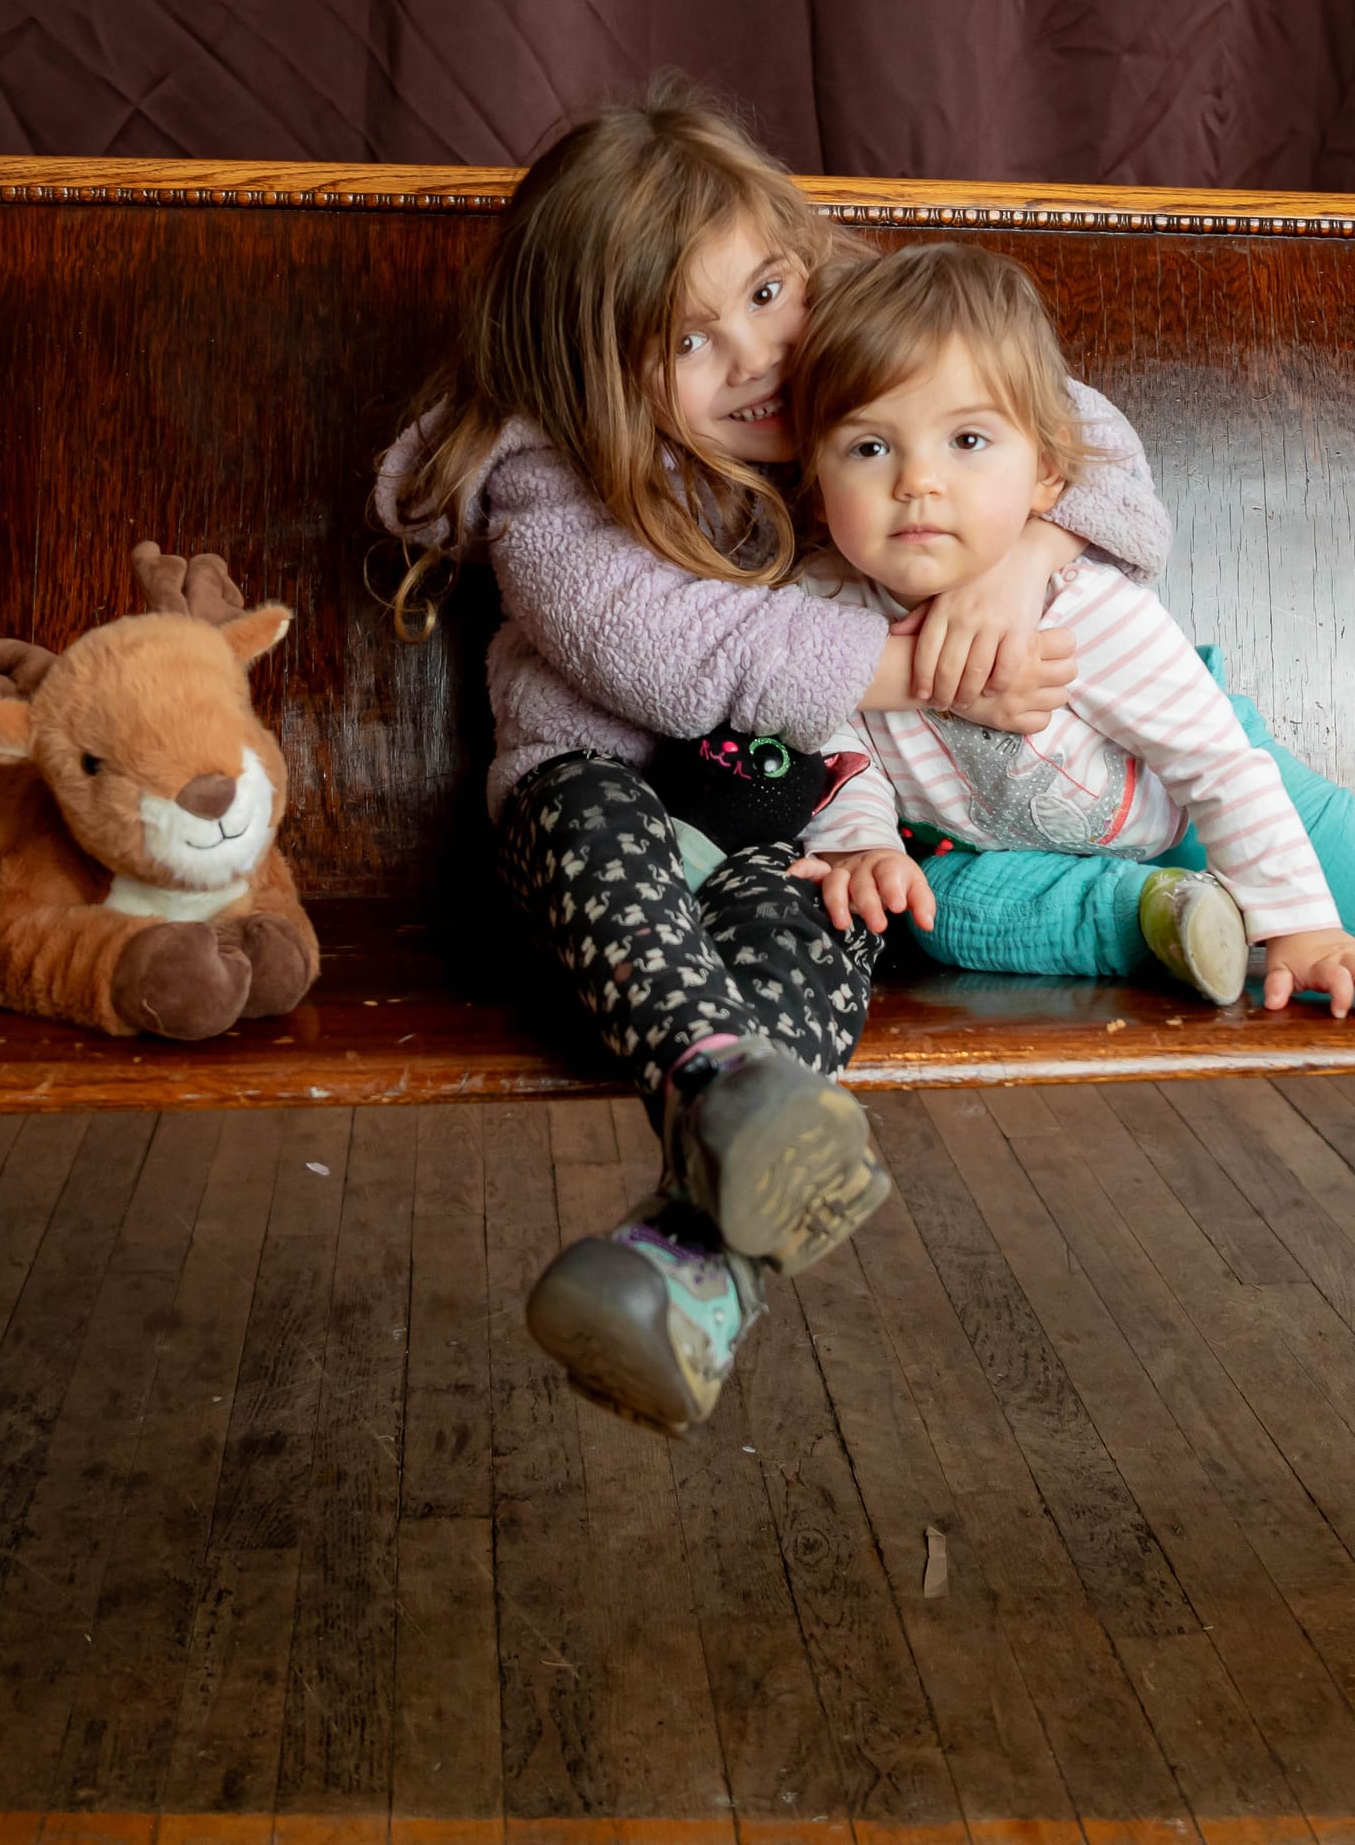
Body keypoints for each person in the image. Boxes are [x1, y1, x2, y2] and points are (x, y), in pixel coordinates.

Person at [375, 77, 1174, 1435]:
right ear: (591, 370)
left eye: (767, 292)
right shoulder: (545, 481)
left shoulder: (852, 374)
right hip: (601, 866)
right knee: (588, 817)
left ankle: (688, 1267)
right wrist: (921, 664)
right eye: (688, 339)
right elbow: (667, 655)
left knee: (820, 922)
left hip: (783, 827)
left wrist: (1029, 553)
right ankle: (714, 1082)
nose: (756, 354)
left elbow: (1080, 429)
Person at [783, 241, 1355, 1015]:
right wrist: (863, 846)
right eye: (870, 446)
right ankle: (1162, 915)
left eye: (967, 440)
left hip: (1191, 802)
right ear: (817, 489)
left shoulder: (1080, 601)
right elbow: (843, 757)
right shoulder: (820, 611)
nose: (917, 481)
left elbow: (1216, 768)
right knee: (940, 916)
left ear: (1048, 476)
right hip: (1015, 853)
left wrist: (1304, 932)